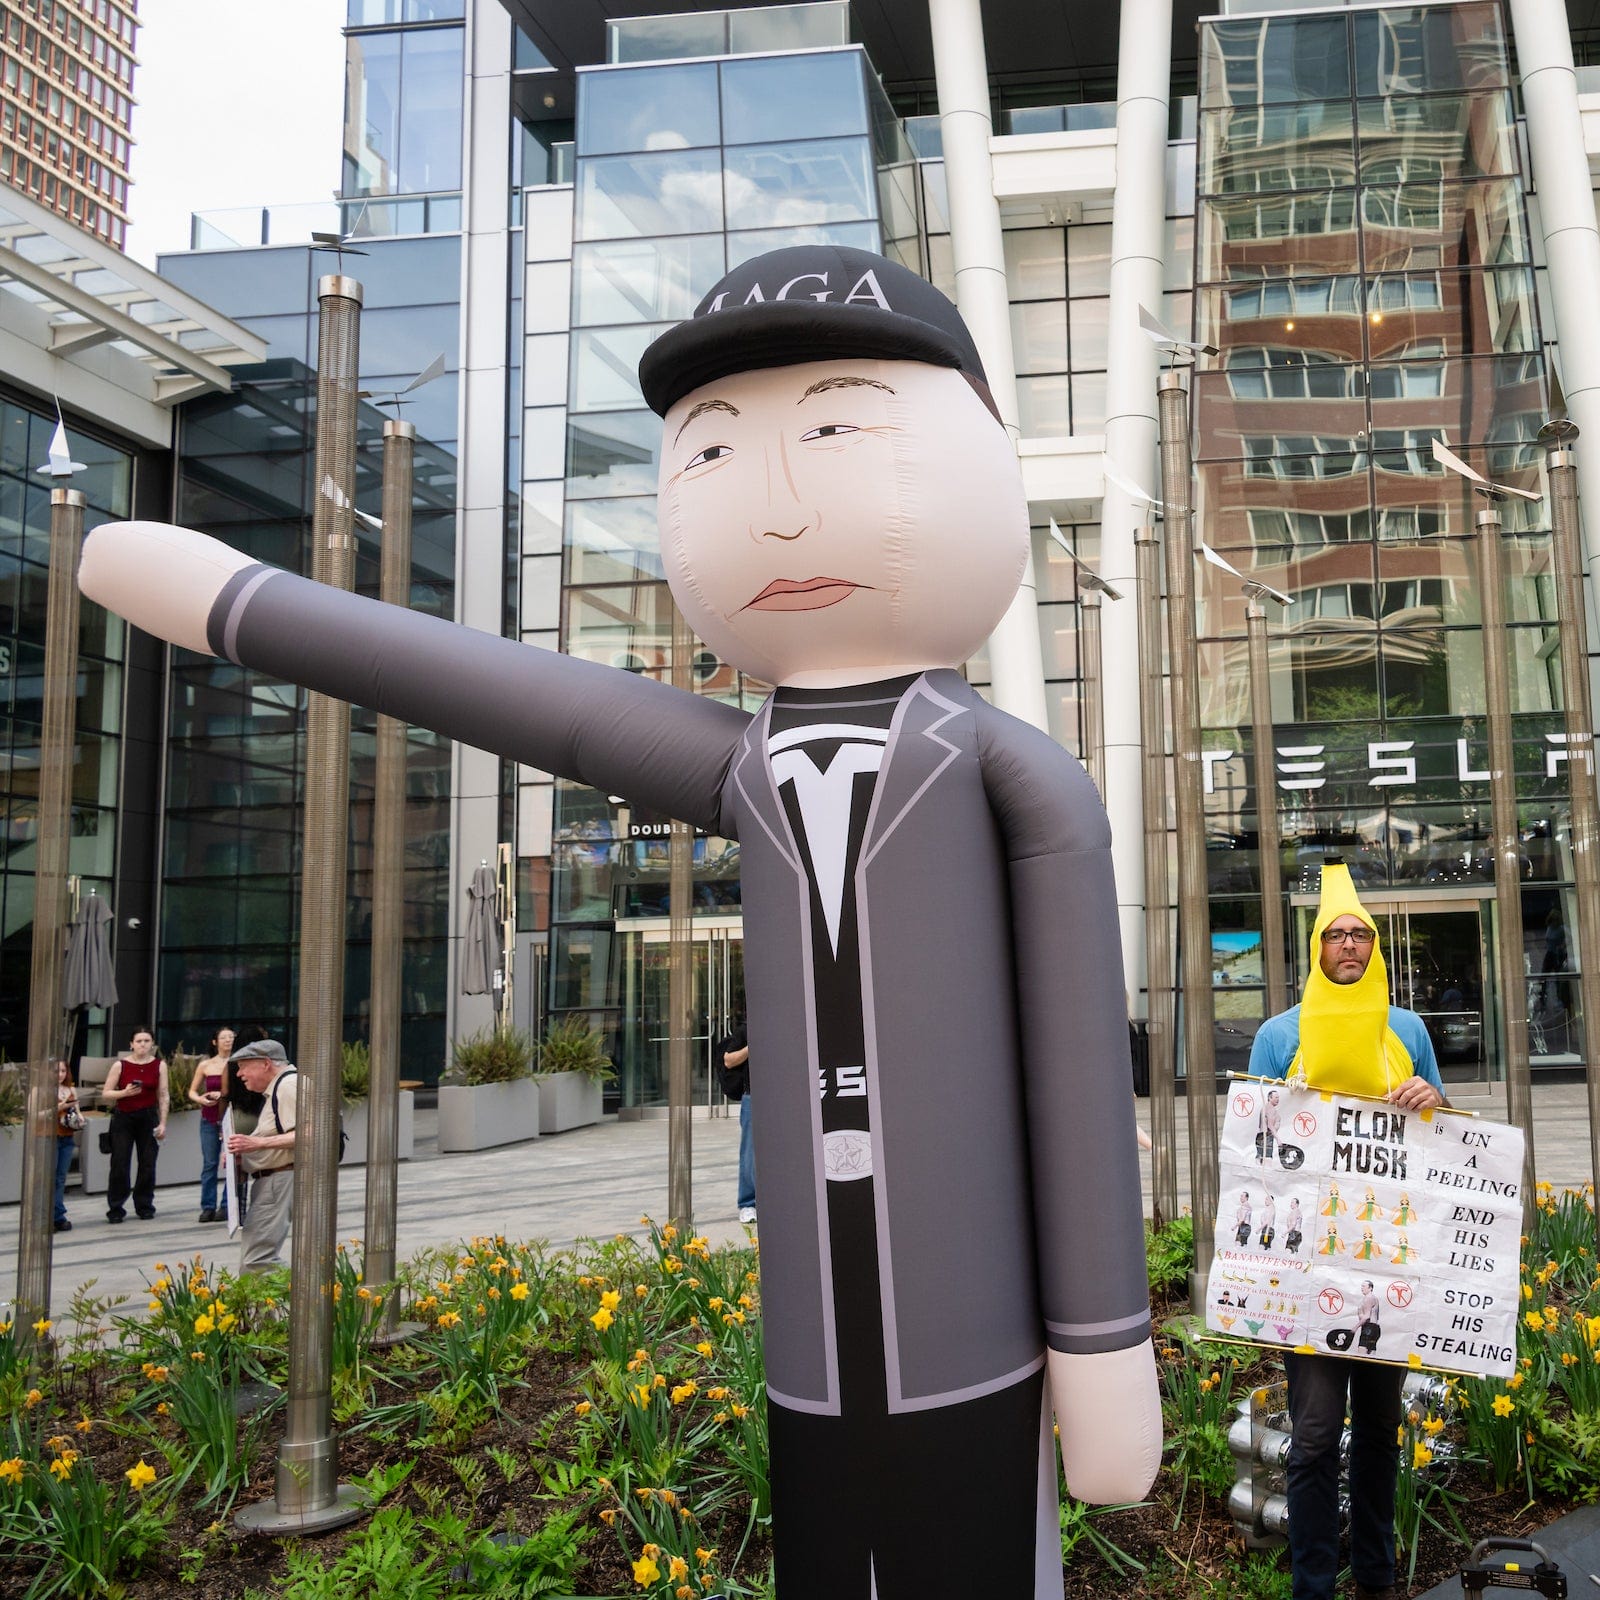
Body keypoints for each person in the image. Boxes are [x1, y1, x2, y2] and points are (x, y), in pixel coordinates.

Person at [79, 244, 1162, 1597]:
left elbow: (1077, 1077)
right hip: (813, 1359)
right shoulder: (749, 761)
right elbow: (495, 688)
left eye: (836, 433)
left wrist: (1102, 1339)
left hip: (975, 1336)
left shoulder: (1008, 770)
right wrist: (242, 603)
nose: (778, 512)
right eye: (713, 453)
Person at [1248, 862, 1447, 1600]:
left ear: (1375, 948)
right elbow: (1252, 1151)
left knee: (1380, 1432)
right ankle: (1313, 1587)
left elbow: (1447, 1138)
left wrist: (1430, 1099)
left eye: (1360, 935)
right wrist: (1281, 1108)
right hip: (1309, 1273)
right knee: (1313, 1435)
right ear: (1316, 949)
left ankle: (1376, 1578)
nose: (1349, 946)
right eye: (1335, 936)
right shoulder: (1278, 1036)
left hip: (1388, 1266)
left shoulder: (1408, 1029)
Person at [226, 1039, 297, 1273]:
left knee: (257, 1261)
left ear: (266, 1064)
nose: (239, 1074)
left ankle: (309, 1291)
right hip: (272, 1180)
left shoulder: (288, 1086)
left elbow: (311, 1134)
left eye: (243, 1066)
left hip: (279, 1179)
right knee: (254, 1260)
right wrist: (245, 1154)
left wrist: (256, 1143)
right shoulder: (280, 1088)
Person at [100, 1028, 168, 1223]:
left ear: (152, 1044)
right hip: (124, 1116)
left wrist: (163, 1122)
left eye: (147, 1041)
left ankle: (144, 1205)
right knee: (120, 1162)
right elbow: (106, 1093)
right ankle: (116, 1207)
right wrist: (124, 1093)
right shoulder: (120, 1065)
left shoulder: (159, 1065)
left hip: (148, 1116)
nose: (143, 1044)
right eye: (139, 1041)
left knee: (148, 1162)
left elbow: (163, 1094)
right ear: (131, 1044)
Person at [187, 1027, 234, 1223]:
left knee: (231, 1162)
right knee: (210, 1163)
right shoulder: (206, 1065)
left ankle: (227, 1206)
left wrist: (222, 1095)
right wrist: (201, 1099)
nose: (228, 1040)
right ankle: (208, 1206)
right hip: (209, 1117)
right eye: (223, 1037)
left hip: (230, 1118)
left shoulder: (237, 1063)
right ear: (215, 1042)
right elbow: (192, 1091)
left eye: (231, 1037)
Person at [719, 1022, 756, 1225]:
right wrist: (753, 1047)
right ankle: (748, 1203)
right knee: (749, 1152)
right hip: (753, 1095)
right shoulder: (747, 1029)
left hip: (782, 1094)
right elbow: (729, 1060)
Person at [54, 1060, 79, 1232]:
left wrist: (79, 1118)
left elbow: (77, 1111)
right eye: (56, 1071)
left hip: (67, 1137)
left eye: (63, 1071)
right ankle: (48, 1216)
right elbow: (35, 1115)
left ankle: (58, 1216)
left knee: (61, 1178)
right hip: (49, 1136)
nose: (60, 1074)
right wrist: (59, 1108)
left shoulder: (70, 1089)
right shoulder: (40, 1091)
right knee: (49, 1178)